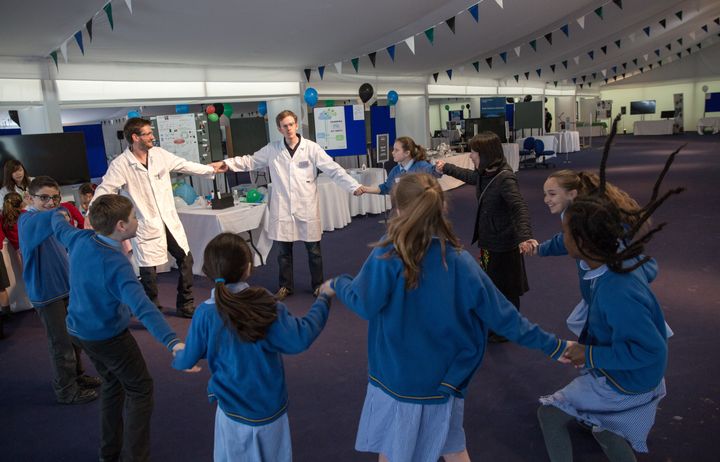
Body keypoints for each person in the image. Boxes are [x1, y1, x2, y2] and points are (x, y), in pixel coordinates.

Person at [330, 173, 571, 462]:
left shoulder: (389, 253)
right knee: (453, 446)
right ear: (439, 208)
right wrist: (554, 346)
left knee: (394, 450)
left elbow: (364, 303)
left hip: (397, 379)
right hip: (445, 382)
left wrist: (338, 284)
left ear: (399, 209)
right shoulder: (459, 260)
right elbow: (505, 316)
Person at [537, 117, 682, 462]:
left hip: (628, 382)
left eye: (568, 234)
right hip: (623, 373)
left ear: (585, 240)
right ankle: (604, 420)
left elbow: (649, 353)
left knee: (550, 414)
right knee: (605, 429)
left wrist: (589, 355)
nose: (563, 239)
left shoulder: (617, 289)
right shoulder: (606, 271)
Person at [172, 232, 332, 461]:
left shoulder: (204, 313)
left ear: (207, 271)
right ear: (248, 267)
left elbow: (189, 358)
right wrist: (323, 300)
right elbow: (300, 337)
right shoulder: (266, 303)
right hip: (269, 413)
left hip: (230, 414)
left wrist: (178, 354)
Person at [51, 194, 185, 462]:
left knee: (113, 383)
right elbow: (143, 307)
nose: (138, 220)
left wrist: (55, 209)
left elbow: (58, 226)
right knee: (140, 388)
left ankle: (109, 454)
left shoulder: (80, 238)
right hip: (106, 337)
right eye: (134, 217)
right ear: (121, 226)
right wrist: (173, 342)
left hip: (79, 332)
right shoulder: (115, 264)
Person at [211, 109, 362, 300]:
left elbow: (333, 169)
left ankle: (318, 286)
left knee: (314, 251)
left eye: (291, 124)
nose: (289, 128)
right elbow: (251, 161)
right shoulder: (273, 149)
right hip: (283, 206)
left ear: (296, 125)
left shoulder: (311, 148)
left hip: (306, 205)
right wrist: (227, 164)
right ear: (279, 129)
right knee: (283, 252)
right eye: (284, 126)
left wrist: (353, 186)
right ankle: (285, 286)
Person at [91, 117, 223, 318]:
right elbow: (105, 188)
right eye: (148, 133)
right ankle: (151, 309)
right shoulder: (121, 165)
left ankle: (185, 304)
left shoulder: (159, 155)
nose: (153, 136)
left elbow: (184, 165)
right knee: (148, 272)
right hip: (145, 223)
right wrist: (90, 212)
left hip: (169, 221)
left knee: (186, 260)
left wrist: (210, 169)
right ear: (135, 137)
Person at [435, 131, 537, 342]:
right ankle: (498, 324)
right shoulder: (486, 172)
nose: (471, 156)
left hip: (504, 243)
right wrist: (447, 167)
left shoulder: (504, 178)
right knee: (493, 285)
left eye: (474, 152)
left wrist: (525, 236)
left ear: (487, 154)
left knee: (507, 288)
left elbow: (519, 208)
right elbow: (470, 177)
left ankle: (508, 329)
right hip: (490, 241)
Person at [18, 176, 100, 404]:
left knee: (73, 339)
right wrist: (67, 210)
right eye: (44, 197)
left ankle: (77, 377)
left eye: (55, 197)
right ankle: (66, 390)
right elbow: (53, 216)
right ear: (29, 198)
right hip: (46, 294)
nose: (51, 202)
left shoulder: (53, 219)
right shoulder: (27, 221)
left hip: (65, 289)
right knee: (60, 344)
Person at [357, 136, 440, 195]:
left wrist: (438, 168)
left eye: (396, 150)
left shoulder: (421, 166)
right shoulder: (395, 170)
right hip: (403, 211)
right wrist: (364, 189)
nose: (392, 152)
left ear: (407, 153)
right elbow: (386, 188)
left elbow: (434, 172)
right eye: (393, 149)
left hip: (420, 211)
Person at [0, 191, 25, 328]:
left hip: (18, 252)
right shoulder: (25, 215)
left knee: (28, 278)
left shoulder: (4, 219)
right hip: (28, 249)